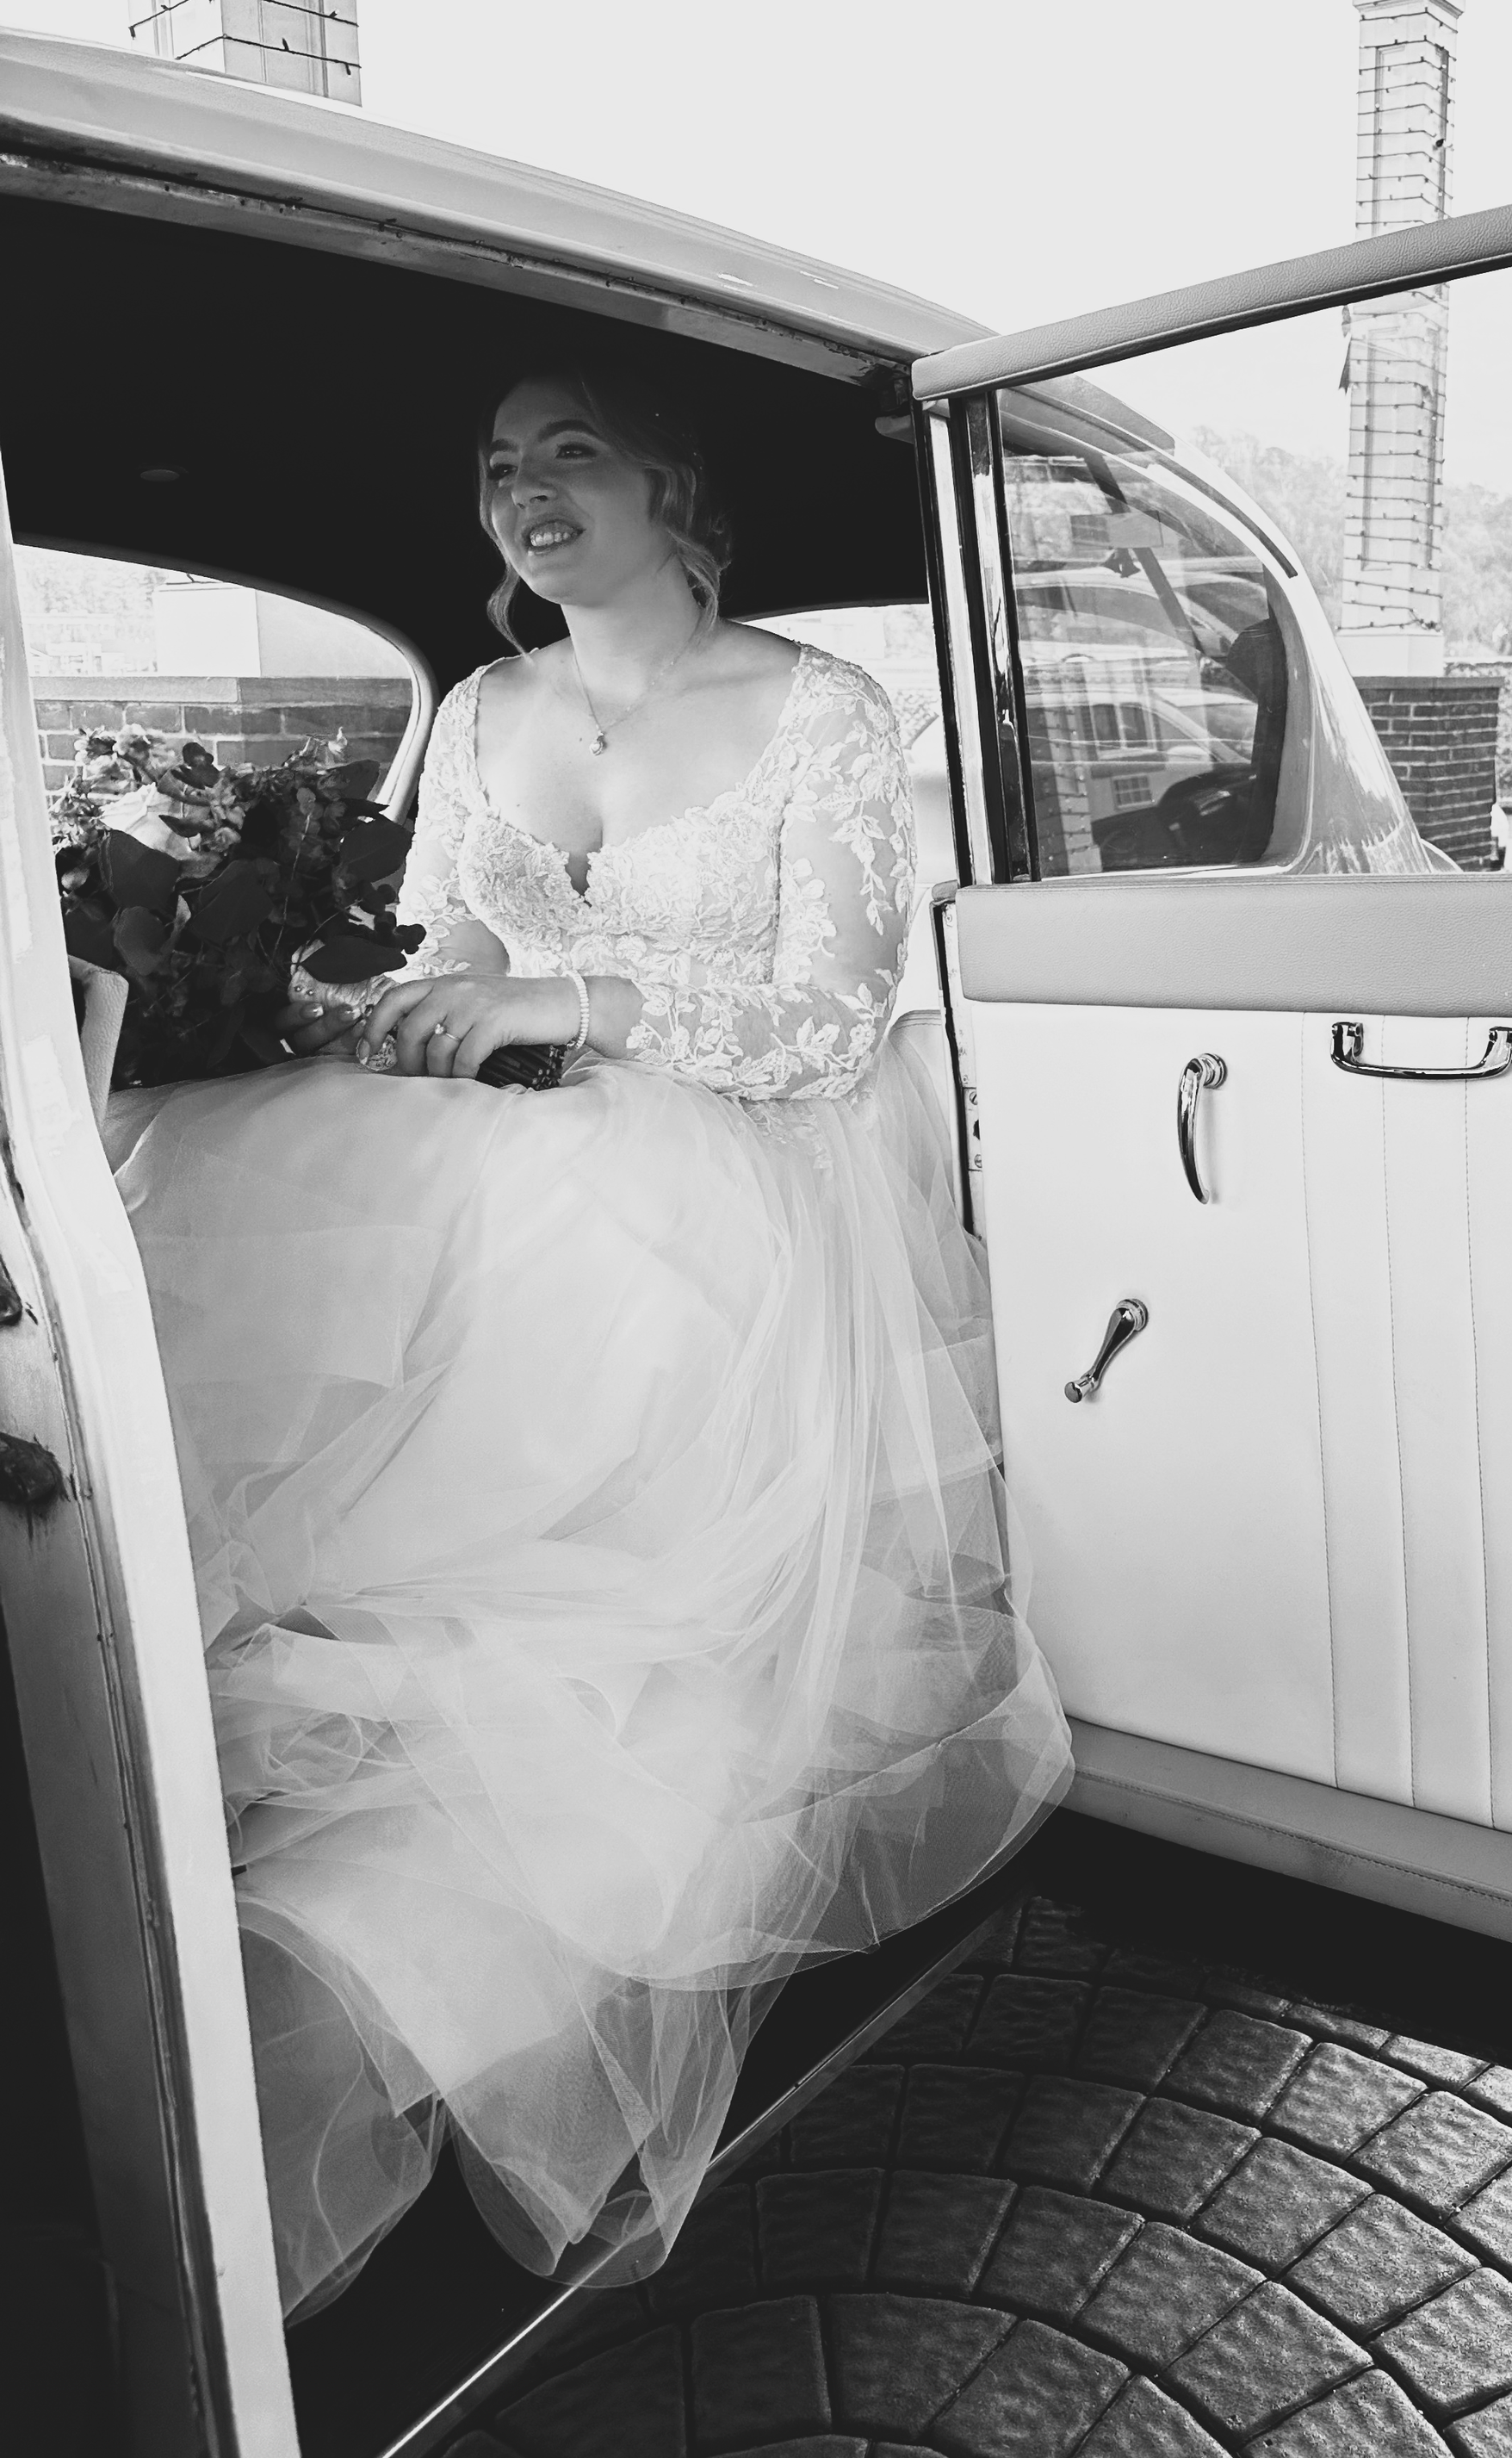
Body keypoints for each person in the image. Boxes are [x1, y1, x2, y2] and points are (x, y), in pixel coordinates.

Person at [102, 365, 1070, 2320]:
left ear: (670, 482)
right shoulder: (479, 709)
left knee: (573, 1242)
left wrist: (578, 1000)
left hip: (737, 1150)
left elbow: (824, 1017)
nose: (519, 491)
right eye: (492, 465)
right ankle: (143, 1679)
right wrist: (389, 994)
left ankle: (416, 1740)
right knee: (195, 1166)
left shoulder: (817, 709)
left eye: (565, 453)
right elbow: (444, 938)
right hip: (512, 1110)